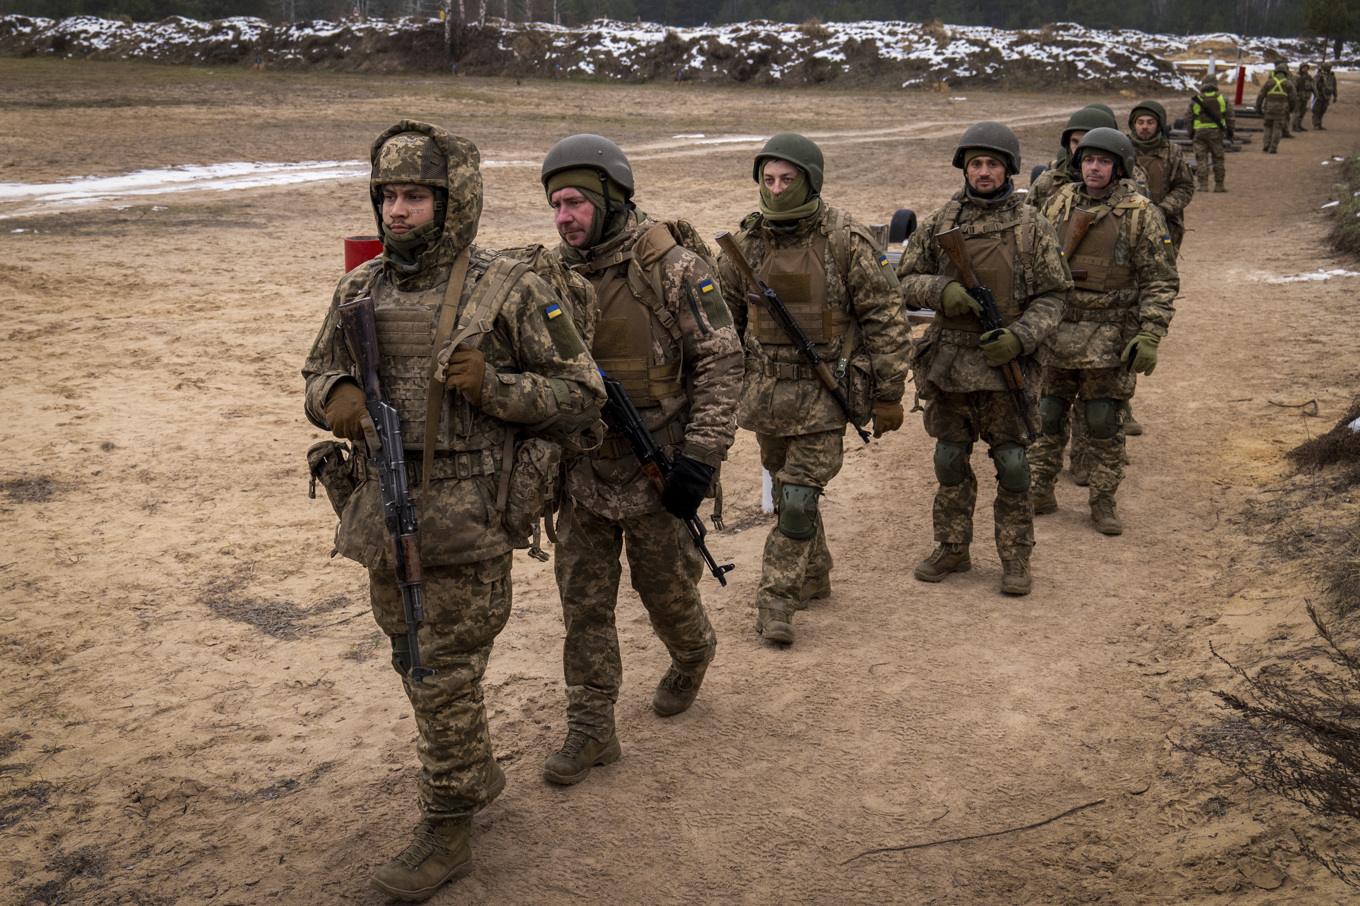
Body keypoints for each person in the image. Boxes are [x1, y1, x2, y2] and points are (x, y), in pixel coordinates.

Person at [302, 121, 604, 902]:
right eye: (387, 196)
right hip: (382, 513)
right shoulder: (359, 289)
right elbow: (317, 368)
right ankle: (473, 773)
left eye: (414, 196)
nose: (396, 211)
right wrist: (329, 395)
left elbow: (583, 395)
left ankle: (446, 823)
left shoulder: (508, 288)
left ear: (452, 201)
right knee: (413, 660)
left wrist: (493, 387)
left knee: (441, 673)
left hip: (471, 520)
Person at [540, 134, 742, 784]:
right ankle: (592, 727)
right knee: (585, 606)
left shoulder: (675, 267)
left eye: (573, 202)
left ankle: (693, 653)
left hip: (661, 474)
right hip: (583, 476)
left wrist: (701, 460)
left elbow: (720, 361)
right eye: (555, 205)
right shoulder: (552, 277)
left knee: (666, 595)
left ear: (610, 197)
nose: (563, 217)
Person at [716, 133, 911, 644]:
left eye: (787, 179)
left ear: (811, 181)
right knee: (787, 491)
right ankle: (816, 571)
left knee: (799, 497)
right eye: (768, 179)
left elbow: (886, 318)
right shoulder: (746, 245)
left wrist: (889, 393)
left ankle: (776, 600)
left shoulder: (846, 240)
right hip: (766, 399)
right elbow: (726, 326)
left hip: (828, 395)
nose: (776, 190)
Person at [898, 122, 1070, 595]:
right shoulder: (939, 222)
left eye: (993, 163)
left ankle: (1015, 558)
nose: (984, 171)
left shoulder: (1033, 225)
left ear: (1008, 169)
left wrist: (1020, 337)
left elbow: (1056, 297)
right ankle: (952, 548)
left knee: (1014, 465)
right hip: (949, 363)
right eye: (976, 163)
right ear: (964, 168)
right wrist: (942, 289)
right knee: (949, 459)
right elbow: (905, 279)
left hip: (1007, 365)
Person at [1033, 128, 1178, 535]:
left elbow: (1160, 280)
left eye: (1103, 161)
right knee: (1047, 414)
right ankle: (1039, 489)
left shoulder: (1141, 213)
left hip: (1111, 334)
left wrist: (1150, 334)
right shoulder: (1058, 202)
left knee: (1102, 420)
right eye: (1088, 160)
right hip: (1057, 329)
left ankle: (1103, 500)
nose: (1093, 167)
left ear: (1119, 166)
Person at [1027, 106, 1125, 211]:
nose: (1079, 149)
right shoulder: (1046, 183)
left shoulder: (1125, 186)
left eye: (1087, 141)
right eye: (1075, 141)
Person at [1128, 100, 1196, 246]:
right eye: (1140, 122)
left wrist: (1163, 209)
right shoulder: (1122, 149)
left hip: (1165, 225)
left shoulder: (1173, 152)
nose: (1144, 127)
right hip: (1127, 224)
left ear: (1159, 124)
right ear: (1134, 125)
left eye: (1150, 122)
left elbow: (1185, 187)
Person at [1186, 79, 1235, 189]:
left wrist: (1191, 133)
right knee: (1218, 158)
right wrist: (1230, 132)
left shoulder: (1195, 99)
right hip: (1217, 132)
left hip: (1199, 132)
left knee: (1201, 159)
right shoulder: (1223, 99)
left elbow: (1188, 117)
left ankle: (1203, 184)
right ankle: (1219, 185)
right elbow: (1230, 117)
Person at [1255, 62, 1297, 154]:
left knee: (1268, 127)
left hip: (1268, 109)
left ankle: (1266, 144)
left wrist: (1258, 108)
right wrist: (1291, 109)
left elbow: (1260, 96)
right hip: (1281, 110)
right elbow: (1293, 98)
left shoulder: (1269, 82)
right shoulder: (1288, 84)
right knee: (1277, 128)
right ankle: (1273, 147)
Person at [1314, 62, 1338, 129]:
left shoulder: (1332, 76)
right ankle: (1316, 123)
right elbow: (1314, 84)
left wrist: (1335, 96)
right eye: (1327, 67)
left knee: (1323, 109)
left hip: (1327, 95)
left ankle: (1319, 123)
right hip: (1320, 94)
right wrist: (1319, 80)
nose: (1328, 69)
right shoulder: (1319, 75)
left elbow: (1334, 86)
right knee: (1317, 109)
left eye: (1329, 67)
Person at [1293, 63, 1315, 133]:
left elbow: (1312, 86)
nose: (1305, 69)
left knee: (1302, 112)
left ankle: (1299, 125)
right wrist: (1295, 95)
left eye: (1306, 68)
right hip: (1298, 97)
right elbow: (1293, 87)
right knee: (1297, 112)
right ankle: (1295, 126)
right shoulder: (1297, 77)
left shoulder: (1309, 77)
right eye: (1304, 67)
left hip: (1305, 97)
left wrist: (1316, 94)